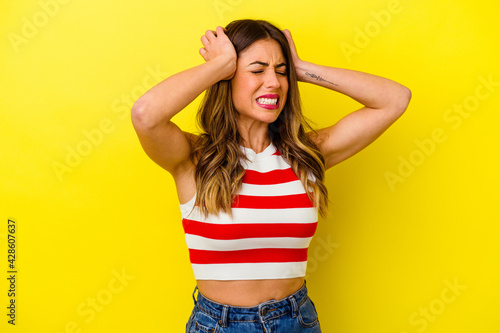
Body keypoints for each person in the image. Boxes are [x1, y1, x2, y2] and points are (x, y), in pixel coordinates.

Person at [131, 19, 411, 333]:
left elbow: (395, 99)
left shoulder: (305, 154)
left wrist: (299, 69)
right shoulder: (194, 158)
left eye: (280, 72)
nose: (274, 83)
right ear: (228, 77)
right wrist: (221, 64)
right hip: (220, 325)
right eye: (257, 70)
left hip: (298, 320)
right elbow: (146, 115)